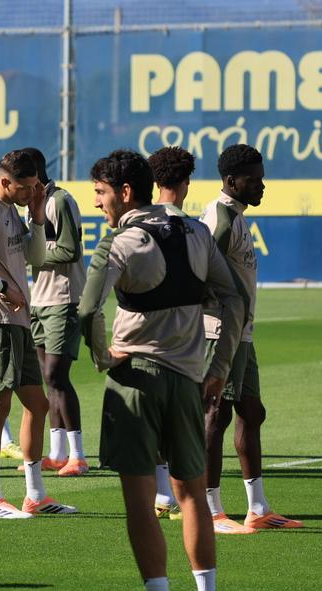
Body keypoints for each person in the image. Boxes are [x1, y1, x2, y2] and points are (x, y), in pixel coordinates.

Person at [79, 149, 244, 591]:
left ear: (125, 192)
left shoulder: (119, 241)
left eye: (101, 194)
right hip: (190, 379)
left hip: (136, 382)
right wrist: (220, 365)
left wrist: (103, 356)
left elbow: (88, 310)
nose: (98, 204)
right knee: (192, 495)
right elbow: (235, 296)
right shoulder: (195, 231)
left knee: (139, 502)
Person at [201, 144, 302, 533]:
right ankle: (210, 511)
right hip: (222, 332)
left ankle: (257, 508)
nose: (262, 186)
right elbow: (198, 271)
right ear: (232, 181)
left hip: (242, 332)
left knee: (252, 412)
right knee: (216, 416)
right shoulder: (221, 219)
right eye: (254, 180)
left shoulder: (236, 217)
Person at [0, 151, 77, 518]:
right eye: (27, 187)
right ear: (5, 182)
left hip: (19, 319)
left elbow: (34, 258)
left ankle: (35, 495)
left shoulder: (15, 211)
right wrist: (3, 286)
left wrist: (35, 218)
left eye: (36, 186)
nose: (33, 192)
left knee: (37, 404)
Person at [18, 147, 89, 477]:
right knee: (48, 378)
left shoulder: (59, 200)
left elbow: (72, 250)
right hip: (40, 300)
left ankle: (78, 455)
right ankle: (58, 452)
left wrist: (31, 254)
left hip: (64, 298)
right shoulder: (33, 206)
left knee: (57, 376)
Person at [147, 145, 197, 520]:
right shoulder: (193, 228)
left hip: (145, 343)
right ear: (185, 182)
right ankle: (190, 501)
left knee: (155, 426)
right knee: (185, 430)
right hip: (185, 344)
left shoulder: (136, 226)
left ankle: (162, 495)